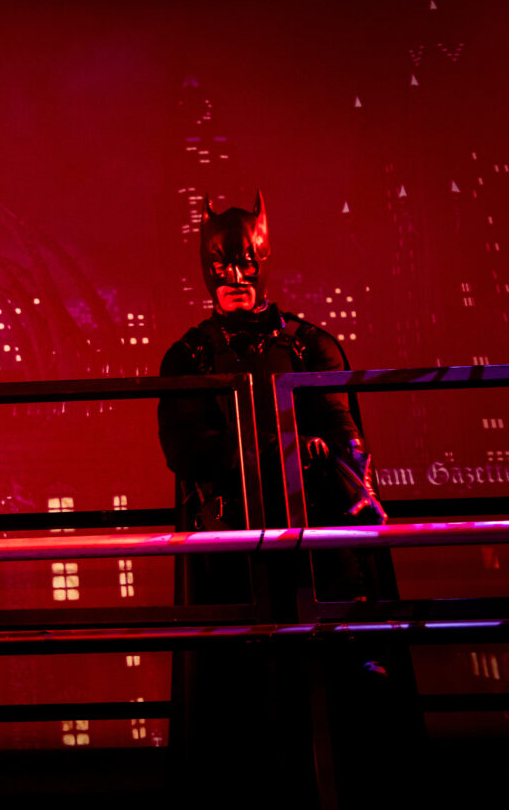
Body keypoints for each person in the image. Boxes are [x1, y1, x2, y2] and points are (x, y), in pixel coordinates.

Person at [156, 192, 406, 806]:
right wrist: (277, 449)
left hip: (317, 541)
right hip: (233, 547)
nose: (236, 277)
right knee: (236, 693)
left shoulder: (310, 345)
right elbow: (188, 452)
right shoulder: (188, 354)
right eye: (222, 266)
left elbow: (348, 439)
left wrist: (327, 461)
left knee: (342, 689)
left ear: (263, 261)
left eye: (246, 263)